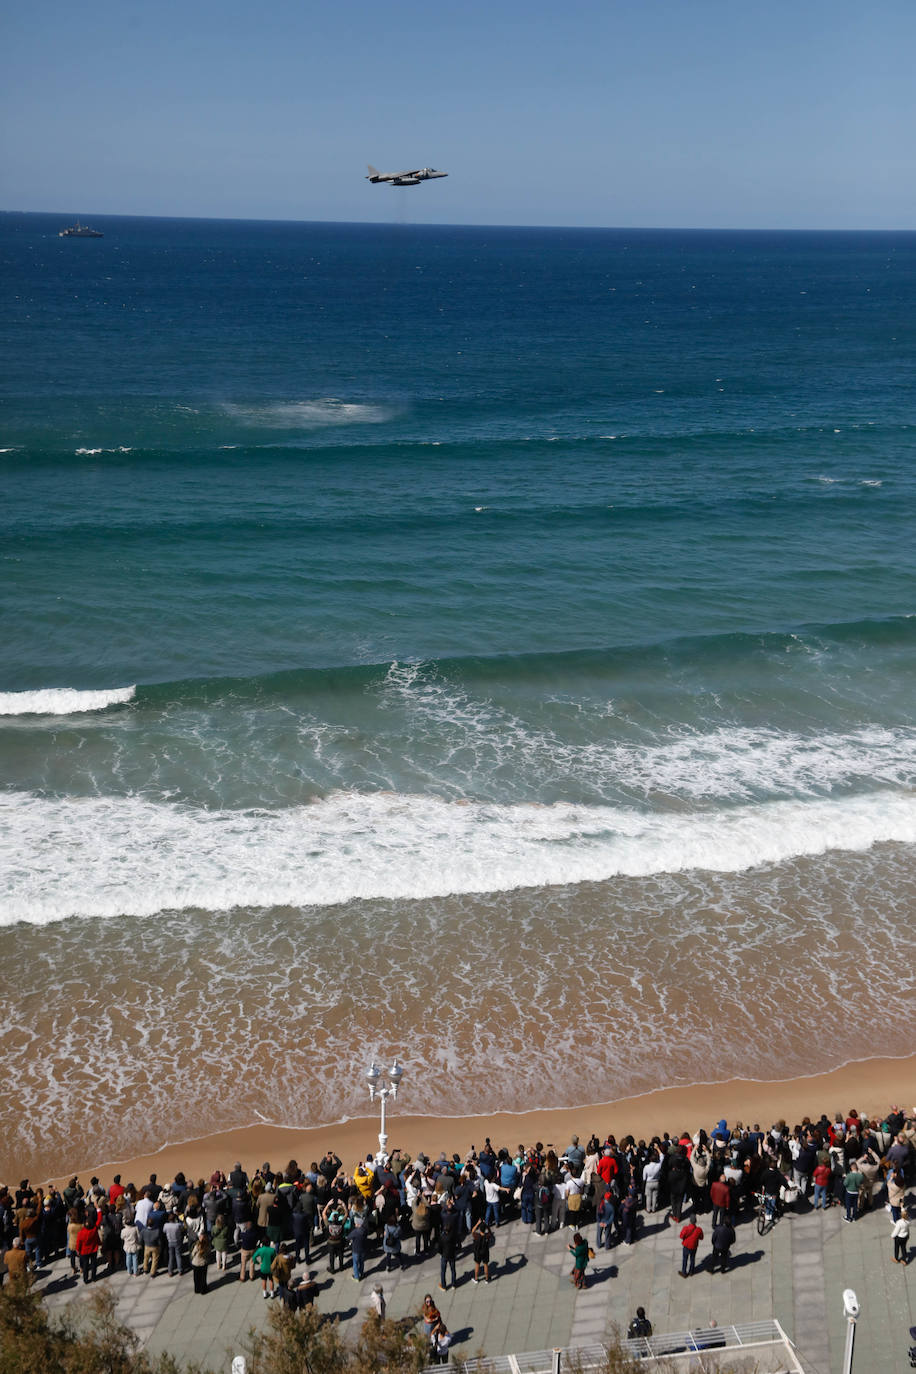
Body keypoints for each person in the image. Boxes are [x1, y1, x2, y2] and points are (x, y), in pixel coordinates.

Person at [471, 1216, 493, 1283]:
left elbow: (472, 1231)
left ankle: (476, 1278)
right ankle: (487, 1279)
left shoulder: (476, 1236)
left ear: (480, 1229)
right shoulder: (487, 1236)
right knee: (486, 1265)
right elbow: (490, 1232)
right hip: (485, 1252)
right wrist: (486, 1226)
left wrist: (477, 1223)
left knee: (477, 1265)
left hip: (477, 1252)